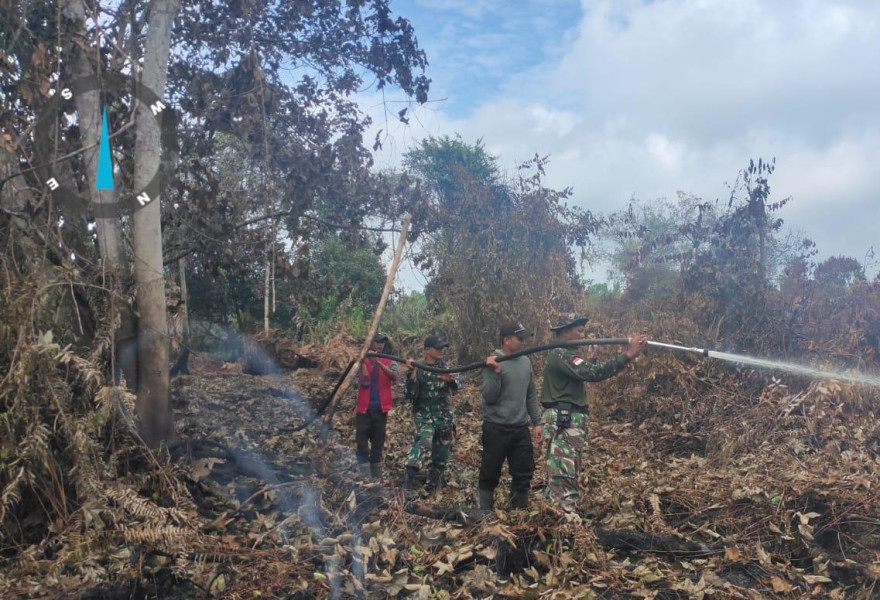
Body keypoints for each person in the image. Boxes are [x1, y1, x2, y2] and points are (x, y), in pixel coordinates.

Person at [541, 314, 648, 513]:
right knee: (563, 471)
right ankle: (561, 517)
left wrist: (592, 357)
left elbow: (586, 369)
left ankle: (561, 514)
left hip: (572, 419)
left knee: (570, 468)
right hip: (564, 420)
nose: (583, 335)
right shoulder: (560, 354)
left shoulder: (570, 355)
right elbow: (594, 373)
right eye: (579, 331)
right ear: (565, 332)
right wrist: (628, 354)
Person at [479, 321, 542, 511]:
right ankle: (484, 512)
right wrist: (496, 373)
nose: (523, 342)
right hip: (496, 427)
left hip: (520, 427)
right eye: (519, 338)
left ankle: (520, 513)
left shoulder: (525, 362)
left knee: (524, 472)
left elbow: (530, 394)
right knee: (490, 471)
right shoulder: (493, 361)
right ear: (506, 340)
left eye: (524, 338)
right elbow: (489, 397)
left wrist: (537, 422)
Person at [402, 336, 460, 491]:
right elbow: (410, 395)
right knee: (424, 442)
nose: (441, 351)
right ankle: (407, 479)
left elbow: (457, 387)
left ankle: (432, 486)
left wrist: (450, 380)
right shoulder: (418, 366)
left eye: (442, 348)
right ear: (427, 350)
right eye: (437, 348)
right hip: (424, 415)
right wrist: (413, 374)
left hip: (444, 416)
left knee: (441, 454)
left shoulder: (446, 366)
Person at [355, 333, 397, 479]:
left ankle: (376, 478)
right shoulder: (362, 360)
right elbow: (364, 382)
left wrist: (378, 363)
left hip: (380, 409)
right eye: (377, 342)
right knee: (362, 443)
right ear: (371, 343)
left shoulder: (389, 360)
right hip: (364, 409)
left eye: (382, 342)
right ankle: (365, 478)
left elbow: (394, 376)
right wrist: (364, 363)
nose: (380, 345)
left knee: (378, 443)